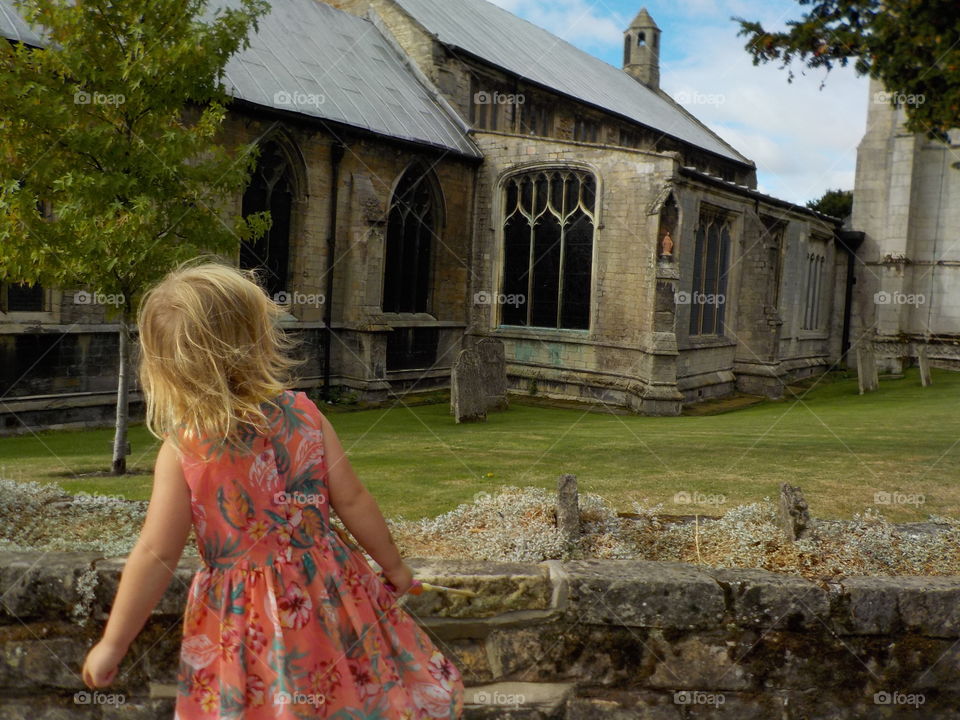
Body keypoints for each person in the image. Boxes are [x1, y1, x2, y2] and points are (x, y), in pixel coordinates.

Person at [81, 262, 465, 719]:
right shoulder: (304, 416)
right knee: (346, 696)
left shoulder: (185, 449)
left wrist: (114, 642)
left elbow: (156, 553)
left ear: (165, 364)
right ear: (257, 338)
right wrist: (395, 568)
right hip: (329, 594)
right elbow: (353, 500)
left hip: (243, 618)